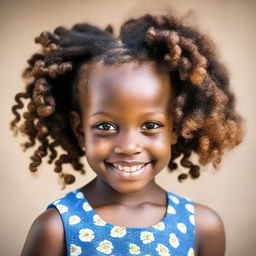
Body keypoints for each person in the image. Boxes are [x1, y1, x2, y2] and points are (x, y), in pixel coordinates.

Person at [11, 13, 244, 256]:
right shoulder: (55, 230)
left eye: (151, 126)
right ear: (81, 130)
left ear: (175, 128)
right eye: (106, 127)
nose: (129, 146)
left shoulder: (203, 229)